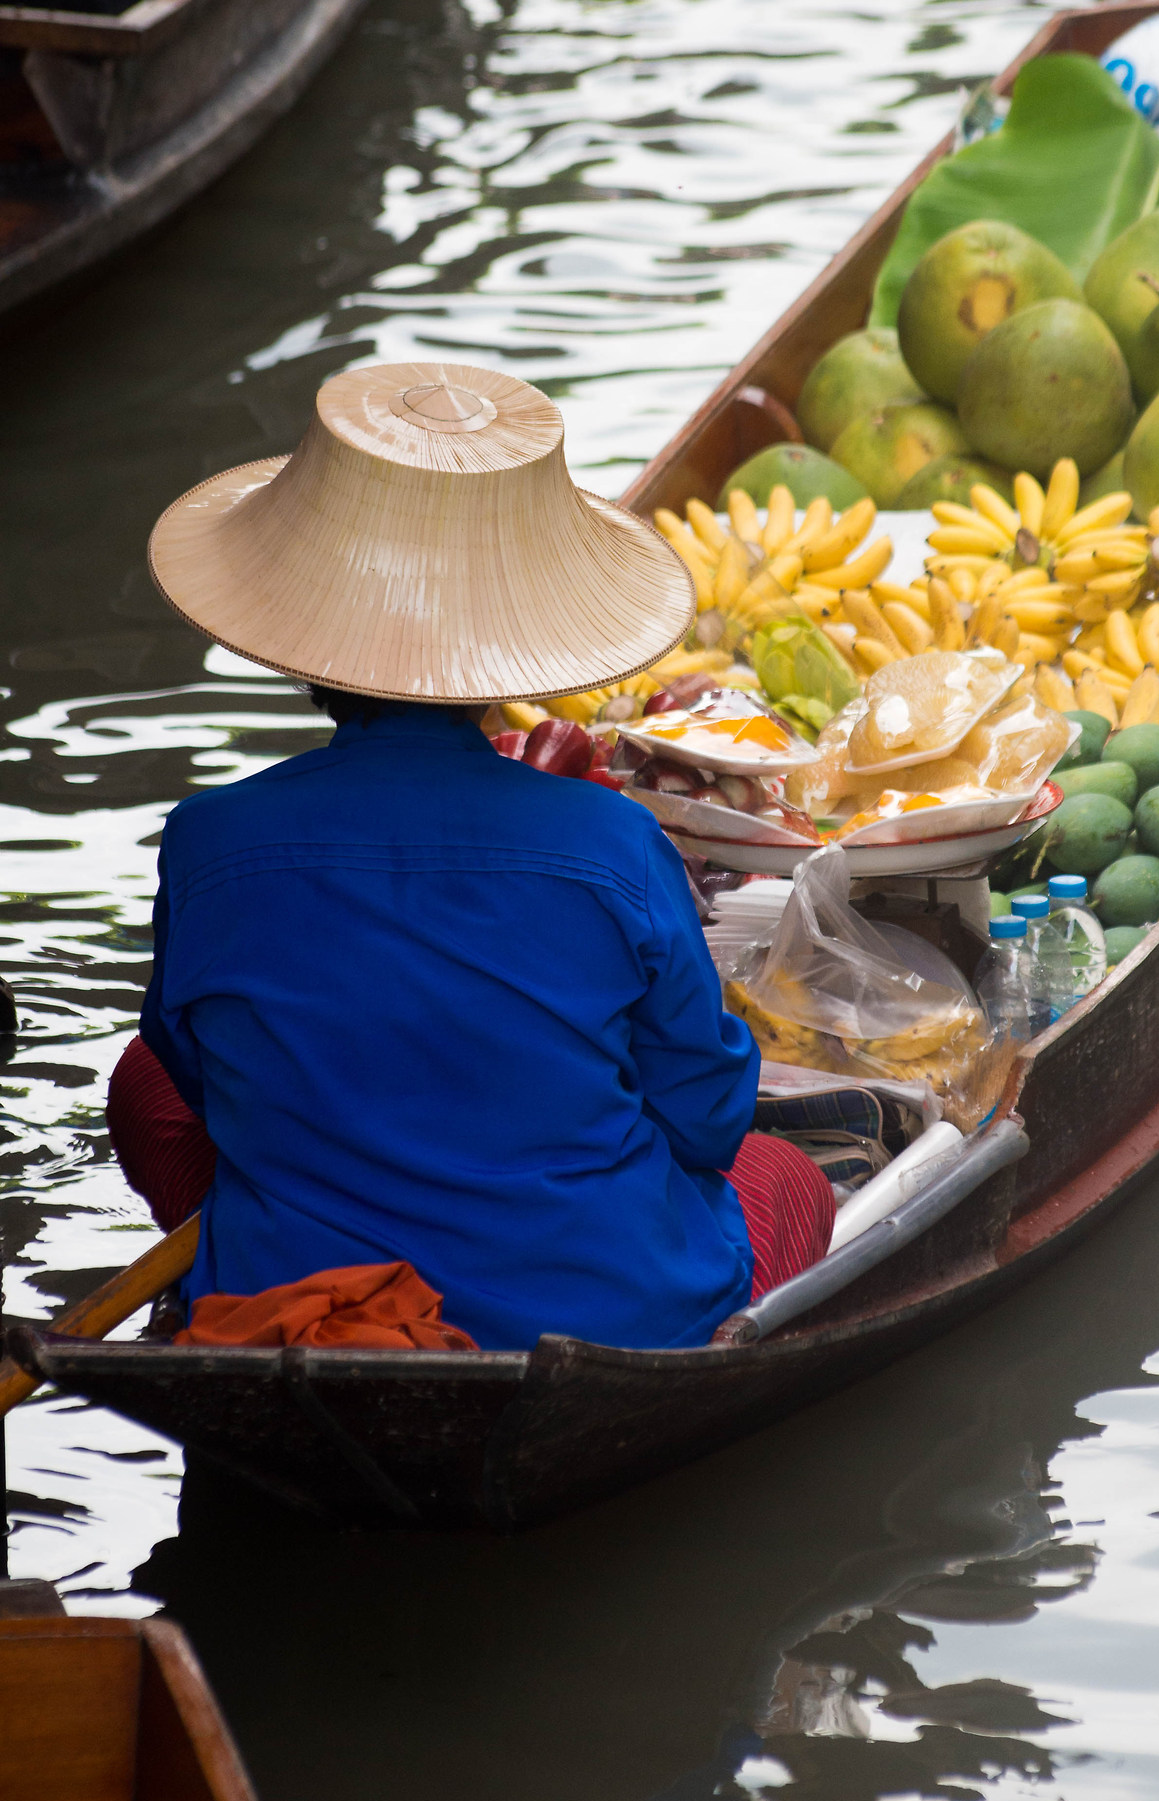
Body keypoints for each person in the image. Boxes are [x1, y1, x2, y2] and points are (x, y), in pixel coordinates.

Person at [105, 360, 834, 1352]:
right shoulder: (614, 840)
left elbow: (197, 1078)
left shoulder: (207, 841)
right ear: (504, 661)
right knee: (784, 1180)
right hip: (597, 1311)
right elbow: (705, 1122)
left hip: (310, 1297)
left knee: (142, 1076)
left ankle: (265, 1290)